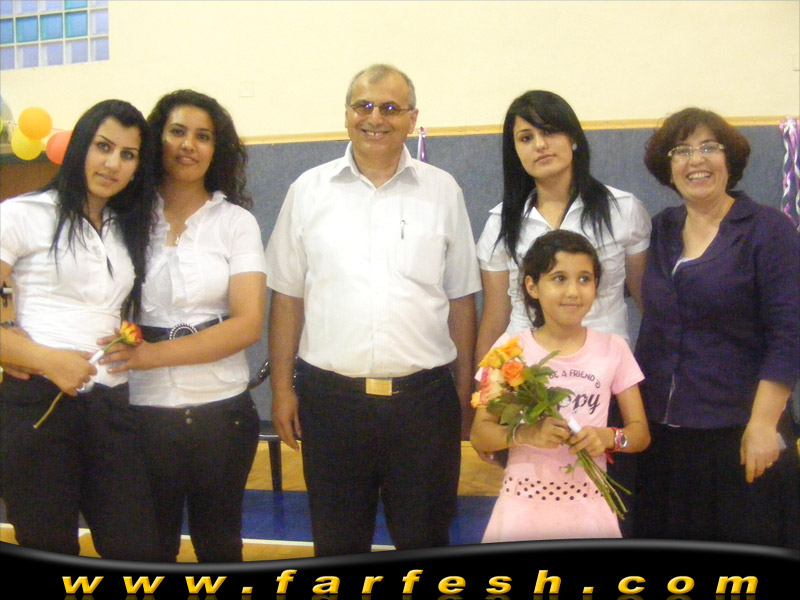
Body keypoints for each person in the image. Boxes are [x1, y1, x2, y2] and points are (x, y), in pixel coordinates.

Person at [265, 64, 481, 556]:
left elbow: (461, 298)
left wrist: (464, 391)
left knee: (425, 543)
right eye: (363, 106)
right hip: (330, 404)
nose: (375, 118)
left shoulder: (443, 190)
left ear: (412, 118)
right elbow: (287, 298)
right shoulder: (308, 191)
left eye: (390, 108)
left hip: (424, 405)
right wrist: (281, 390)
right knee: (337, 545)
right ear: (346, 114)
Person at [101, 90, 267, 562]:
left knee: (221, 547)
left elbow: (248, 324)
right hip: (140, 412)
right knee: (149, 552)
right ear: (157, 139)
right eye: (177, 132)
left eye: (203, 136)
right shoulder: (120, 219)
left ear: (217, 149)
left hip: (223, 415)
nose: (189, 145)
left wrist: (153, 355)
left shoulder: (235, 223)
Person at [635, 107, 800, 549]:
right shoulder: (661, 229)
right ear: (668, 167)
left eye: (709, 147)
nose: (696, 160)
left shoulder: (768, 230)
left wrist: (763, 424)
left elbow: (789, 335)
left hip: (741, 432)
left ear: (730, 159)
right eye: (682, 150)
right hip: (662, 436)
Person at [0, 99, 158, 559]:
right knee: (51, 547)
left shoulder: (125, 228)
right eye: (103, 146)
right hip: (40, 404)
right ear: (79, 147)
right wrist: (46, 359)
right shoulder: (23, 213)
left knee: (139, 549)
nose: (113, 163)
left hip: (111, 405)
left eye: (128, 155)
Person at [471, 230, 650, 541]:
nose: (573, 291)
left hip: (590, 509)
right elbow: (480, 435)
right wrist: (525, 433)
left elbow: (640, 434)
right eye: (559, 278)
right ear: (532, 286)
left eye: (584, 279)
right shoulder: (509, 350)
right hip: (522, 509)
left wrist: (609, 437)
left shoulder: (614, 348)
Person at [475, 90, 651, 359]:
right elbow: (495, 319)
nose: (540, 145)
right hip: (524, 373)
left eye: (549, 132)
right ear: (516, 152)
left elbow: (648, 304)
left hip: (605, 368)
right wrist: (482, 380)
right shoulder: (500, 223)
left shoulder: (622, 209)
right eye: (526, 138)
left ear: (573, 138)